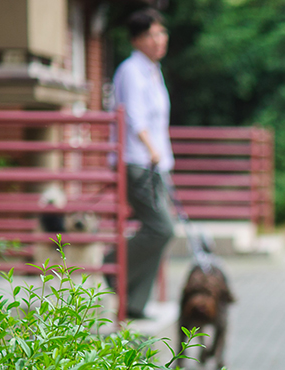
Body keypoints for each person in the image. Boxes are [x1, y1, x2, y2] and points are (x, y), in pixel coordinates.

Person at [110, 8, 174, 319]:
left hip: (157, 163)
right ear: (136, 39)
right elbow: (133, 115)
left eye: (161, 33)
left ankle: (135, 302)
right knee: (161, 227)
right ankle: (113, 265)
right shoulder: (131, 70)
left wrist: (162, 157)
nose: (158, 39)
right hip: (138, 161)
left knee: (163, 230)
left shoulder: (152, 70)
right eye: (151, 34)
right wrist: (151, 149)